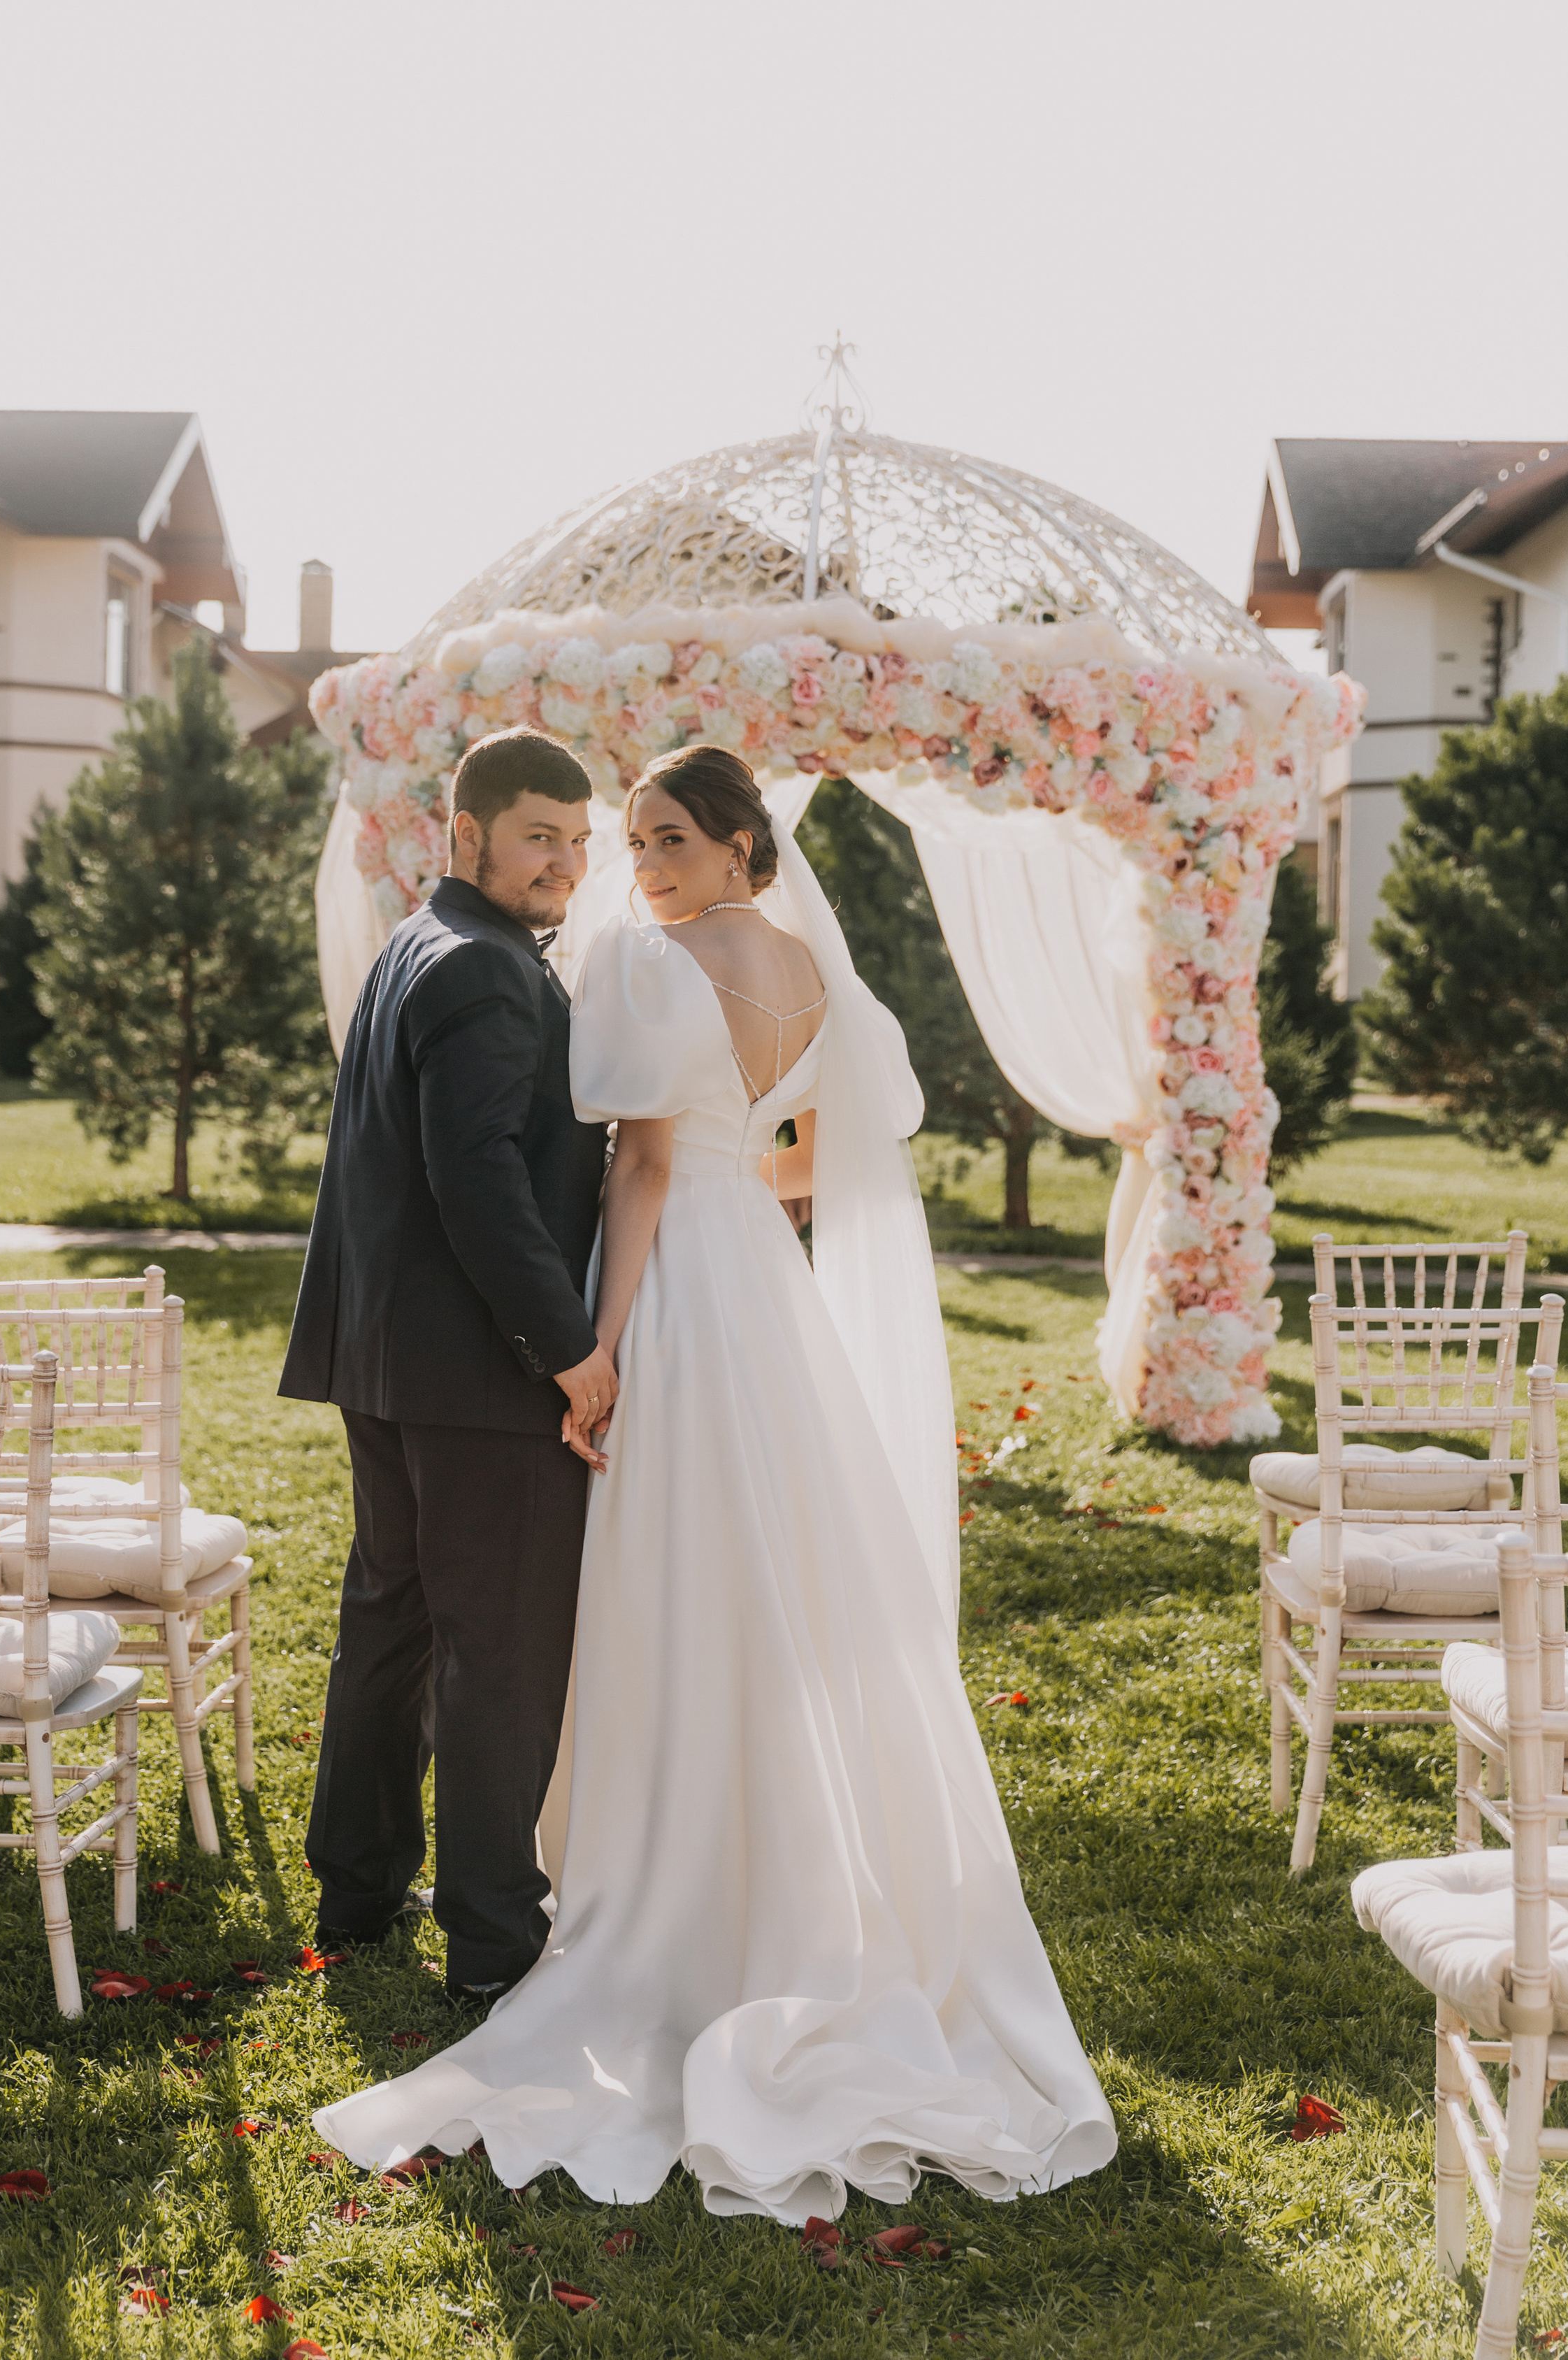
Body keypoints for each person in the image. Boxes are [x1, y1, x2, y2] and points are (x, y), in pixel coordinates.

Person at [315, 744, 1116, 2221]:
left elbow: (635, 1170)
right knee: (776, 1568)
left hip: (669, 1292)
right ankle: (761, 1866)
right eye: (629, 839)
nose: (641, 862)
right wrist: (730, 1202)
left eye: (665, 838)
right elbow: (799, 1155)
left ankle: (622, 1865)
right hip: (766, 1293)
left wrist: (594, 1345)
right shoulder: (814, 973)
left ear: (744, 843)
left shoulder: (639, 964)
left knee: (638, 1569)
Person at [278, 725, 616, 1987]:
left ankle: (358, 1895)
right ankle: (490, 1936)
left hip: (389, 1360)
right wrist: (567, 1350)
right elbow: (475, 1179)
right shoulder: (479, 968)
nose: (565, 866)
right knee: (503, 1650)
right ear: (467, 833)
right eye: (541, 837)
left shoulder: (418, 946)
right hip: (479, 1373)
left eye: (580, 845)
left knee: (396, 1625)